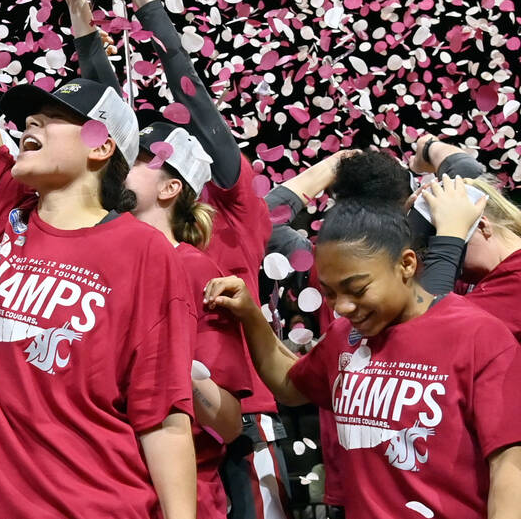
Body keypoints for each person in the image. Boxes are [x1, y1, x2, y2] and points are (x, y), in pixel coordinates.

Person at [0, 0, 197, 519]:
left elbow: (161, 418)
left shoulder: (143, 252)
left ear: (103, 146)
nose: (30, 124)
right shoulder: (2, 207)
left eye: (56, 118)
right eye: (33, 114)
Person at [91, 0, 289, 518]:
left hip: (239, 416)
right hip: (172, 419)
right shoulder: (126, 238)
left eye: (148, 159)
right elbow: (108, 115)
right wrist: (80, 11)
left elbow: (193, 93)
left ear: (176, 181)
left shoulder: (236, 211)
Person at [205, 195, 521, 519]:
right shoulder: (346, 337)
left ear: (406, 264)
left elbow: (510, 469)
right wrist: (249, 315)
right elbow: (289, 384)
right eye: (330, 293)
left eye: (357, 289)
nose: (342, 307)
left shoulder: (479, 337)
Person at [124, 121, 253, 519]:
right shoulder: (100, 261)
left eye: (138, 161)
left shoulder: (197, 271)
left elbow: (229, 422)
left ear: (170, 188)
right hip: (107, 487)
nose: (119, 168)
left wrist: (186, 374)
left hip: (179, 495)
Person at [423, 176, 521, 340]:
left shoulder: (515, 280)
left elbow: (430, 332)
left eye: (455, 237)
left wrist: (448, 242)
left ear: (482, 227)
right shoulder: (489, 275)